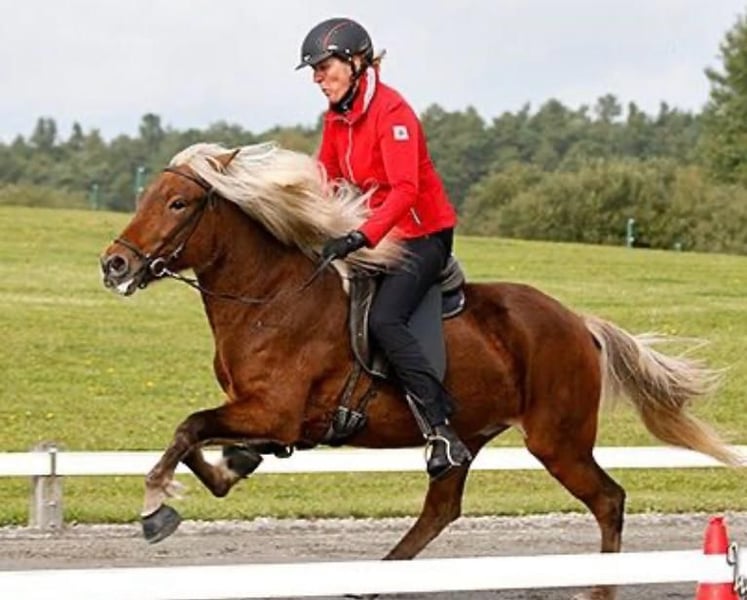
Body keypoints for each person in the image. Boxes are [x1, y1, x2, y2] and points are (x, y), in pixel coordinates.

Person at [297, 17, 471, 481]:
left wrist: (361, 236)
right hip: (379, 235)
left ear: (355, 62)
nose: (317, 79)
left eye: (323, 68)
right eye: (314, 71)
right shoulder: (336, 117)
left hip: (423, 237)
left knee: (385, 320)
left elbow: (406, 190)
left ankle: (441, 430)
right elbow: (327, 176)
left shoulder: (393, 113)